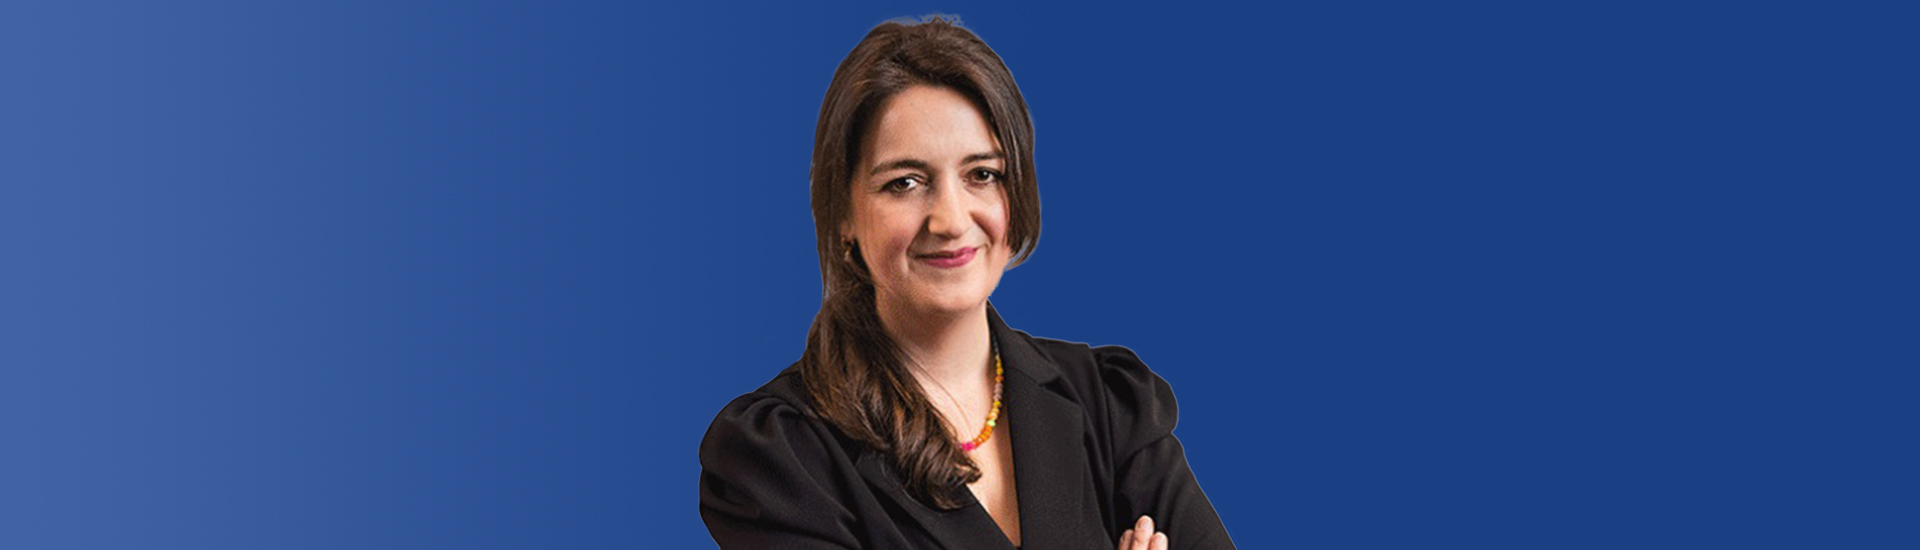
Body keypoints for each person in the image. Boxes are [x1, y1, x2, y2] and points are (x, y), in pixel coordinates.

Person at [698, 16, 1236, 550]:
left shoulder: (1110, 404)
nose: (951, 220)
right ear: (843, 215)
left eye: (982, 175)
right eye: (905, 183)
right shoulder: (780, 457)